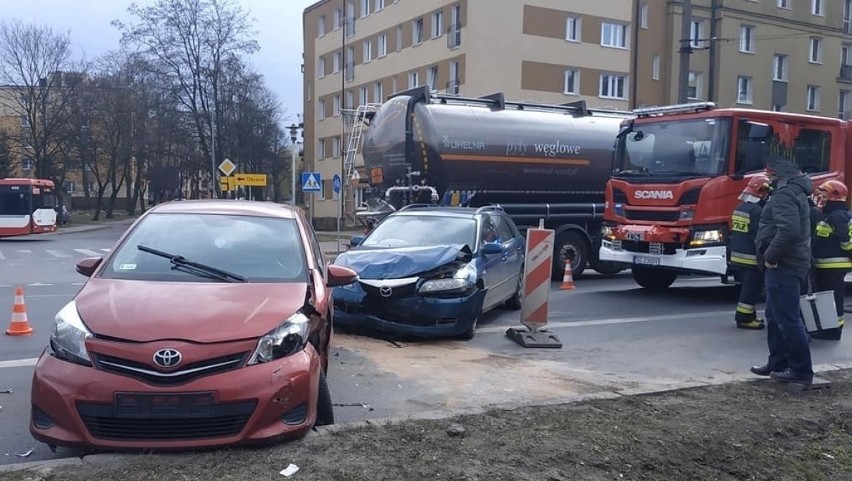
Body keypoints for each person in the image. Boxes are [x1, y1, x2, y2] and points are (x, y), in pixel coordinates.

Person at [750, 155, 814, 386]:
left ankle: (800, 371)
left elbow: (788, 231)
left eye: (770, 171)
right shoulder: (794, 191)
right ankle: (777, 362)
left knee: (787, 319)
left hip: (783, 264)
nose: (767, 174)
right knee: (775, 316)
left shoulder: (785, 194)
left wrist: (770, 257)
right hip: (790, 263)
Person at [809, 179, 851, 340]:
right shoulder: (830, 214)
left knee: (834, 298)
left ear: (834, 196)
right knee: (827, 298)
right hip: (826, 265)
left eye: (824, 195)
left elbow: (845, 241)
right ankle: (829, 328)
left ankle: (834, 330)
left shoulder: (837, 216)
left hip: (833, 265)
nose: (822, 198)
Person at [730, 174, 772, 329]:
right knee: (751, 289)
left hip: (738, 255)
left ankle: (748, 316)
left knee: (747, 287)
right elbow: (759, 236)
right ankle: (745, 318)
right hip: (751, 257)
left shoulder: (740, 208)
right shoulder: (757, 211)